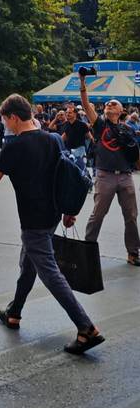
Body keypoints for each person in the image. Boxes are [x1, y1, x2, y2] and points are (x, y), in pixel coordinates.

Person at [0, 93, 105, 354]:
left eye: (5, 120)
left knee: (49, 271)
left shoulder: (14, 146)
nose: (5, 125)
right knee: (29, 263)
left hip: (33, 218)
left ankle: (86, 328)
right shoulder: (55, 139)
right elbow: (67, 176)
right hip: (52, 214)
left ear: (13, 117)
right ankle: (14, 312)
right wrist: (69, 211)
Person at [78, 73, 140, 266]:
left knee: (131, 216)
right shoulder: (99, 124)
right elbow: (86, 104)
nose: (109, 105)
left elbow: (135, 154)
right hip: (105, 176)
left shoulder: (127, 129)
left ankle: (133, 253)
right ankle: (88, 250)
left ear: (121, 111)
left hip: (125, 176)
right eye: (107, 104)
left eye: (113, 104)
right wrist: (82, 82)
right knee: (98, 214)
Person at [61, 104, 88, 168]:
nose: (67, 114)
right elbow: (64, 137)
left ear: (75, 114)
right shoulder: (66, 124)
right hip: (68, 150)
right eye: (66, 112)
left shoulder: (82, 124)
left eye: (70, 113)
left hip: (80, 150)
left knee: (80, 169)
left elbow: (89, 136)